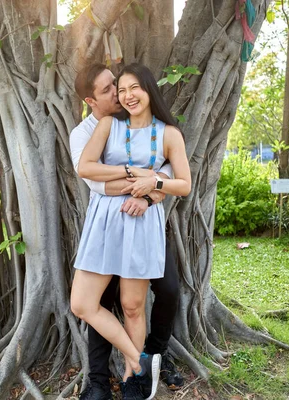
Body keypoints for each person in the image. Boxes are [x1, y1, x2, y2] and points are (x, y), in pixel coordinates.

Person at [70, 63, 191, 400]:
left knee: (133, 306)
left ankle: (131, 383)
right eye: (119, 90)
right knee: (82, 303)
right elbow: (86, 168)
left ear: (148, 88)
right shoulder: (106, 125)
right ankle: (140, 362)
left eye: (131, 87)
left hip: (140, 225)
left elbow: (184, 183)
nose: (125, 95)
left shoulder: (169, 133)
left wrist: (153, 184)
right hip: (104, 223)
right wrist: (131, 171)